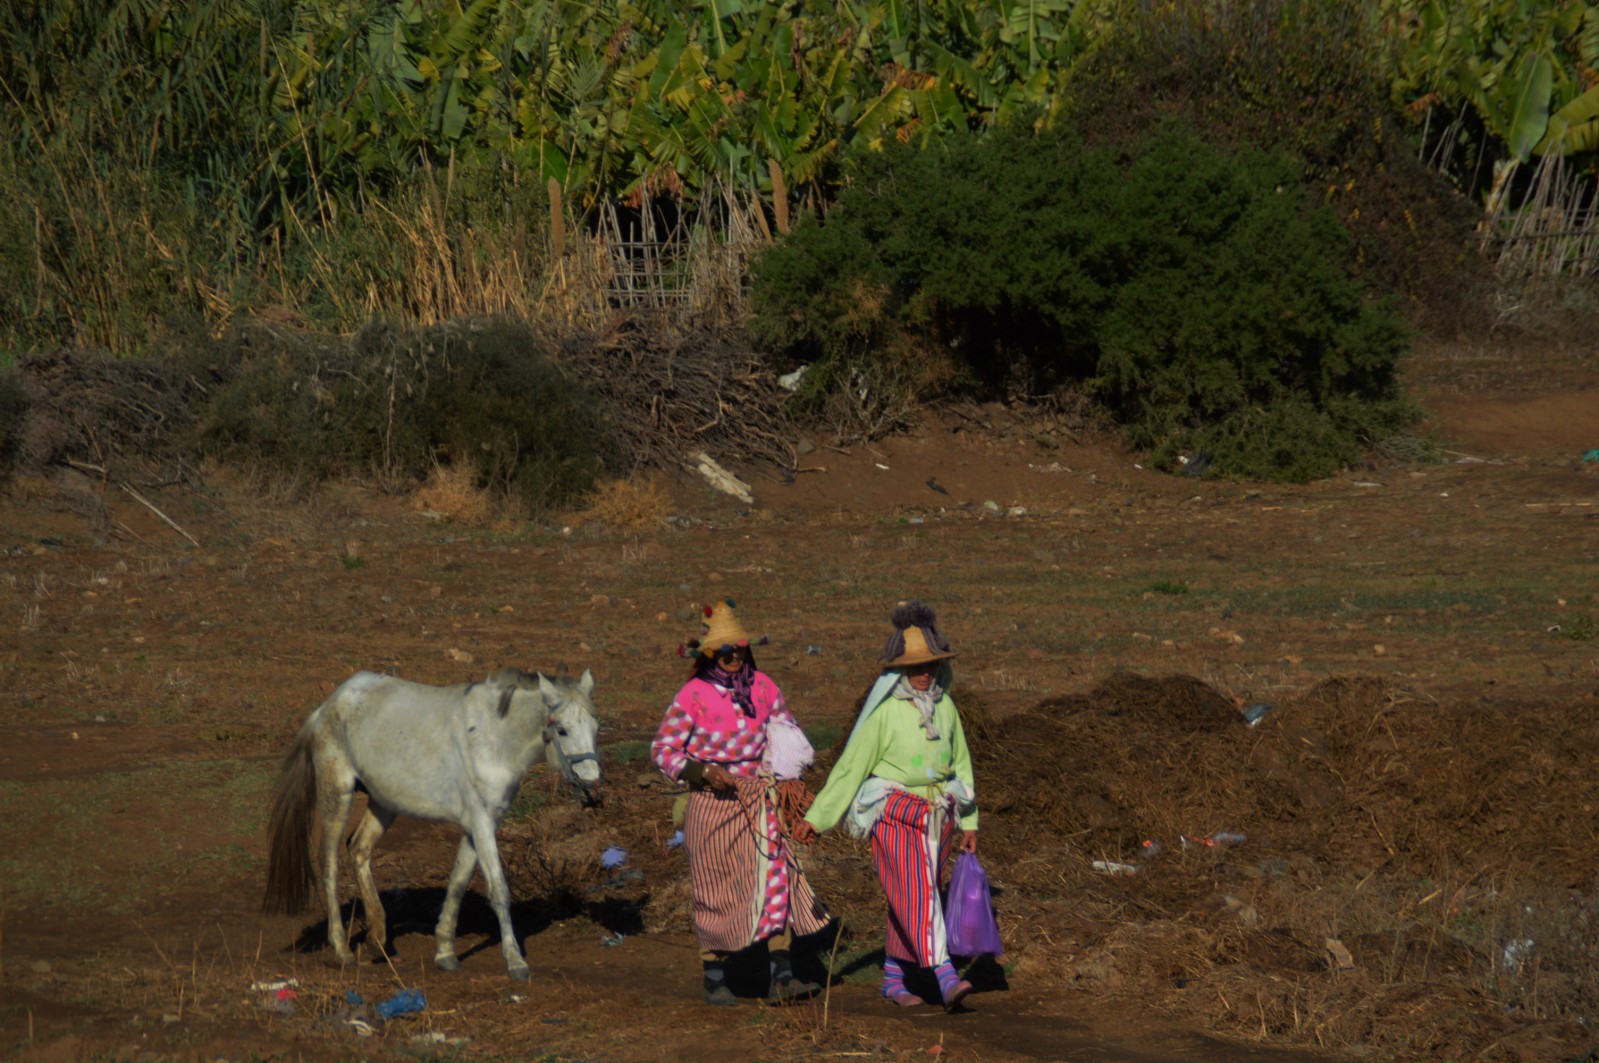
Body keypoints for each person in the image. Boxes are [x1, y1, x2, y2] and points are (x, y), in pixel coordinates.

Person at [792, 601, 979, 1011]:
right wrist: (816, 818)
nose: (923, 672)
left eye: (929, 664)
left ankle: (893, 977)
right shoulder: (883, 715)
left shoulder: (946, 708)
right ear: (898, 669)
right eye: (914, 667)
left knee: (911, 895)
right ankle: (944, 974)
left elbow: (960, 764)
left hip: (940, 817)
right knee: (919, 894)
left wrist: (970, 821)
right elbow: (850, 769)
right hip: (896, 814)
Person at [651, 599, 828, 1005]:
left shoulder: (763, 687)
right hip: (712, 804)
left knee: (774, 879)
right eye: (726, 651)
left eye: (740, 650)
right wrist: (701, 771)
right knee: (716, 889)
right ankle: (715, 974)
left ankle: (781, 976)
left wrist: (784, 769)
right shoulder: (692, 695)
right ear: (711, 653)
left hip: (759, 797)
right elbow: (662, 749)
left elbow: (786, 728)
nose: (734, 657)